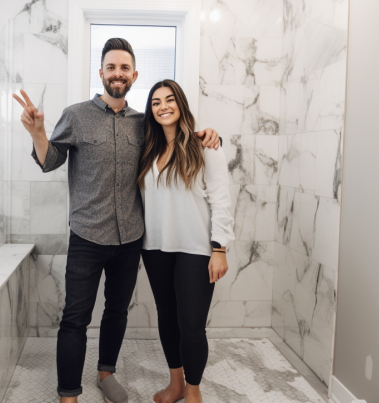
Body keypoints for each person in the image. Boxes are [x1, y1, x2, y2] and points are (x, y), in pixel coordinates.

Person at [13, 38, 220, 403]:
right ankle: (68, 395)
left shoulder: (144, 124)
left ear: (134, 75)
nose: (118, 74)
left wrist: (209, 134)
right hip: (87, 235)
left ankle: (106, 372)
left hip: (130, 239)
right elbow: (50, 160)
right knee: (75, 317)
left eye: (125, 68)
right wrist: (38, 134)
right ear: (101, 73)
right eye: (111, 67)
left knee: (116, 311)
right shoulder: (76, 115)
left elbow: (177, 136)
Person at [137, 79, 234, 403]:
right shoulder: (148, 149)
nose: (163, 106)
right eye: (155, 103)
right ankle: (175, 383)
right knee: (168, 318)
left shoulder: (204, 146)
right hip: (155, 248)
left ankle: (193, 391)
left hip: (195, 249)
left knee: (192, 326)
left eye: (169, 100)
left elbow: (221, 200)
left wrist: (219, 249)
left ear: (180, 104)